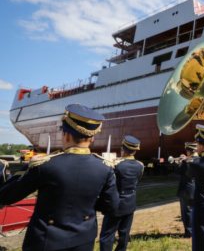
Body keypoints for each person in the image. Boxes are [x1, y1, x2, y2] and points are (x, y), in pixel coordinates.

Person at [0, 104, 119, 251]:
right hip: (83, 241)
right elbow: (112, 207)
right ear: (92, 137)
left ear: (66, 135)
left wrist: (28, 167)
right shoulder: (105, 167)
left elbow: (5, 196)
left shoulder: (45, 165)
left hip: (46, 241)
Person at [100, 135, 144, 251]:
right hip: (130, 204)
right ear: (134, 151)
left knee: (107, 235)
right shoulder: (140, 166)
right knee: (124, 234)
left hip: (116, 204)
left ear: (123, 150)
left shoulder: (116, 165)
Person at [174, 142, 198, 238]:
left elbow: (178, 171)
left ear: (189, 151)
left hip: (186, 189)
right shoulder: (199, 159)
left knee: (186, 212)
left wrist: (179, 162)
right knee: (195, 210)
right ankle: (195, 230)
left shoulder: (187, 162)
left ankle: (189, 232)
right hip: (196, 188)